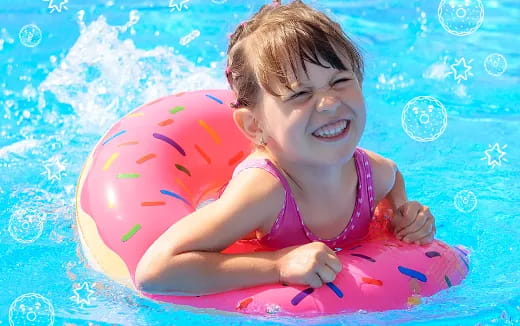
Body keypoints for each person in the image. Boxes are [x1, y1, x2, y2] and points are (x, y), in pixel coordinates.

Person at [135, 0, 436, 296]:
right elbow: (155, 270)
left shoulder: (372, 173)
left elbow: (393, 174)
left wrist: (403, 214)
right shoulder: (263, 193)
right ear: (255, 126)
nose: (329, 103)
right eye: (301, 94)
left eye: (340, 80)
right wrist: (278, 264)